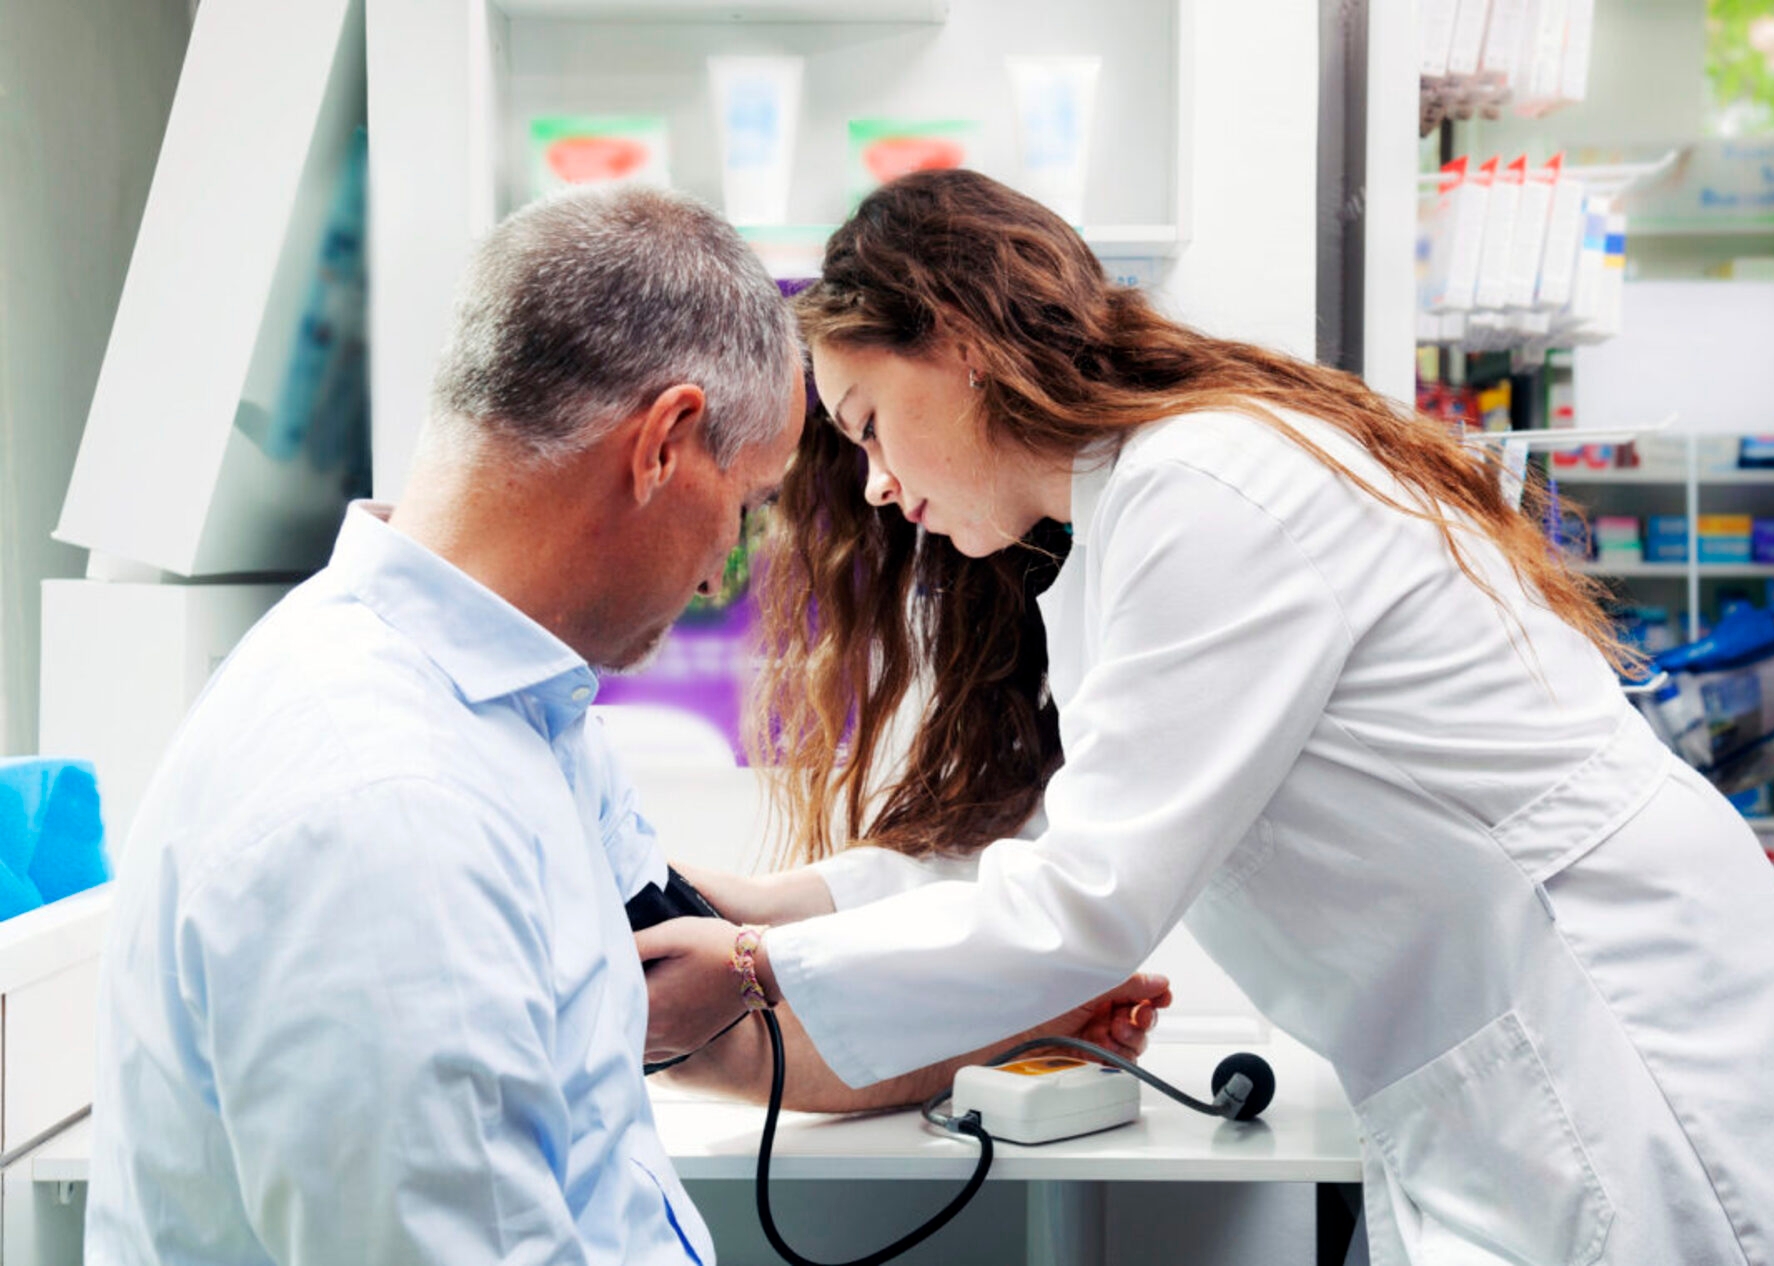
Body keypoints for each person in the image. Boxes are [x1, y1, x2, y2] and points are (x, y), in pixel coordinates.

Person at [637, 169, 1774, 1265]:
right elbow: (1047, 845)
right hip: (1501, 1053)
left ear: (961, 342)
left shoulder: (1207, 487)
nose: (879, 484)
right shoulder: (1124, 521)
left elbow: (1087, 901)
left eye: (866, 424)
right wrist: (760, 903)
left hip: (1614, 1031)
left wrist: (749, 974)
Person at [84, 180, 1165, 1265]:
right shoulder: (388, 815)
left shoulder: (523, 716)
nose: (716, 574)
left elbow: (713, 1023)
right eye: (745, 510)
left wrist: (1034, 1023)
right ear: (665, 442)